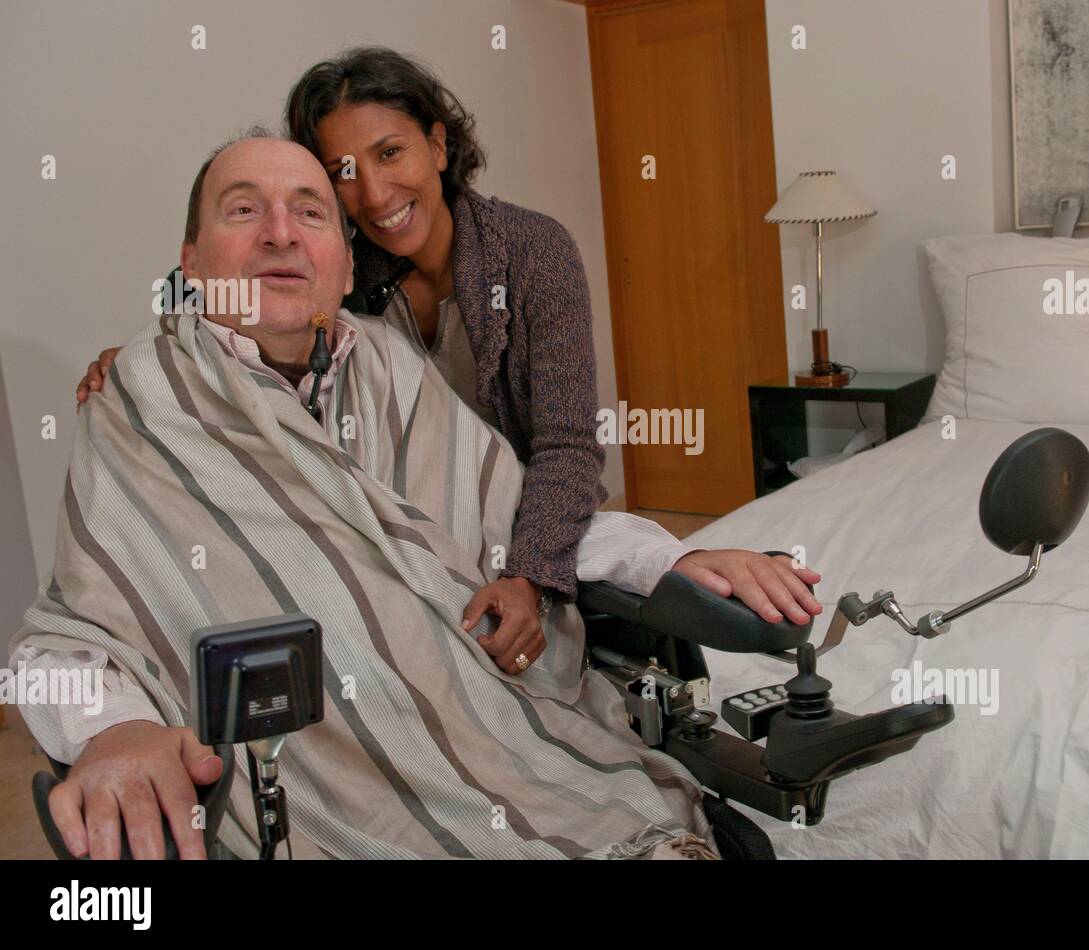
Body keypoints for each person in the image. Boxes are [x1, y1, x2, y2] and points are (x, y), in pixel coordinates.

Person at [17, 132, 822, 860]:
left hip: (495, 731)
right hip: (312, 785)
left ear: (340, 261)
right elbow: (69, 633)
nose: (280, 232)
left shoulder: (392, 366)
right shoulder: (142, 399)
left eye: (310, 213)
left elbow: (515, 518)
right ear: (190, 262)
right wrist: (113, 730)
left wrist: (674, 556)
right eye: (243, 210)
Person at [74, 48, 809, 679]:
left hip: (526, 516)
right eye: (344, 172)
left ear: (437, 143)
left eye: (390, 153)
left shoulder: (532, 254)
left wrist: (528, 577)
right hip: (396, 536)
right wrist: (152, 349)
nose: (374, 192)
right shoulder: (343, 267)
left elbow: (565, 448)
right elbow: (228, 282)